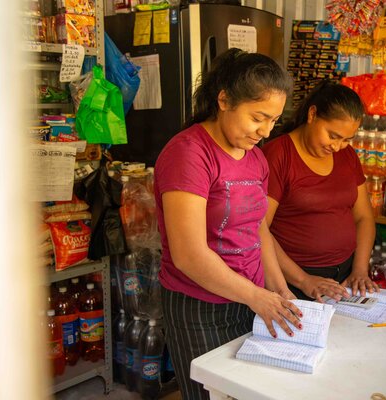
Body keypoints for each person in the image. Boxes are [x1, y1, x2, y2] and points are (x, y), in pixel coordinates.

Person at [154, 48, 302, 400]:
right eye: (258, 118)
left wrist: (278, 290)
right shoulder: (189, 154)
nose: (265, 132)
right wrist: (257, 297)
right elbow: (188, 255)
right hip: (199, 306)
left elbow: (258, 229)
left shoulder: (255, 158)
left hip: (248, 301)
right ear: (224, 100)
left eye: (274, 121)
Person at [263, 80, 378, 302]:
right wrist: (303, 280)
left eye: (346, 139)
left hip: (344, 279)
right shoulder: (278, 155)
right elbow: (259, 229)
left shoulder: (347, 156)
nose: (337, 146)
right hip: (291, 283)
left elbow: (364, 217)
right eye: (333, 136)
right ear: (312, 114)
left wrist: (360, 270)